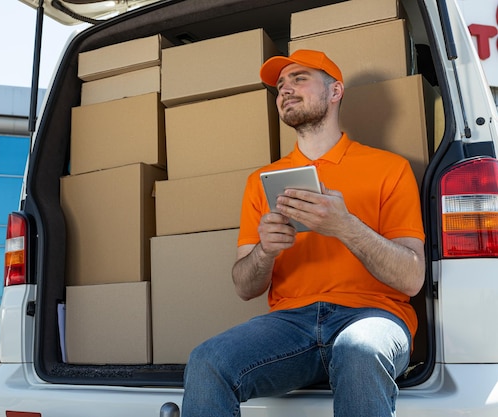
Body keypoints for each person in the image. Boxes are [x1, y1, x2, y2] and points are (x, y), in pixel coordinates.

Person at [180, 49, 426, 417]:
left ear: (335, 91)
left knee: (359, 350)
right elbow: (244, 287)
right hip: (289, 325)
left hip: (373, 316)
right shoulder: (261, 182)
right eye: (280, 86)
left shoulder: (389, 169)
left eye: (299, 79)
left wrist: (345, 226)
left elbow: (411, 279)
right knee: (206, 361)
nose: (285, 90)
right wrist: (265, 250)